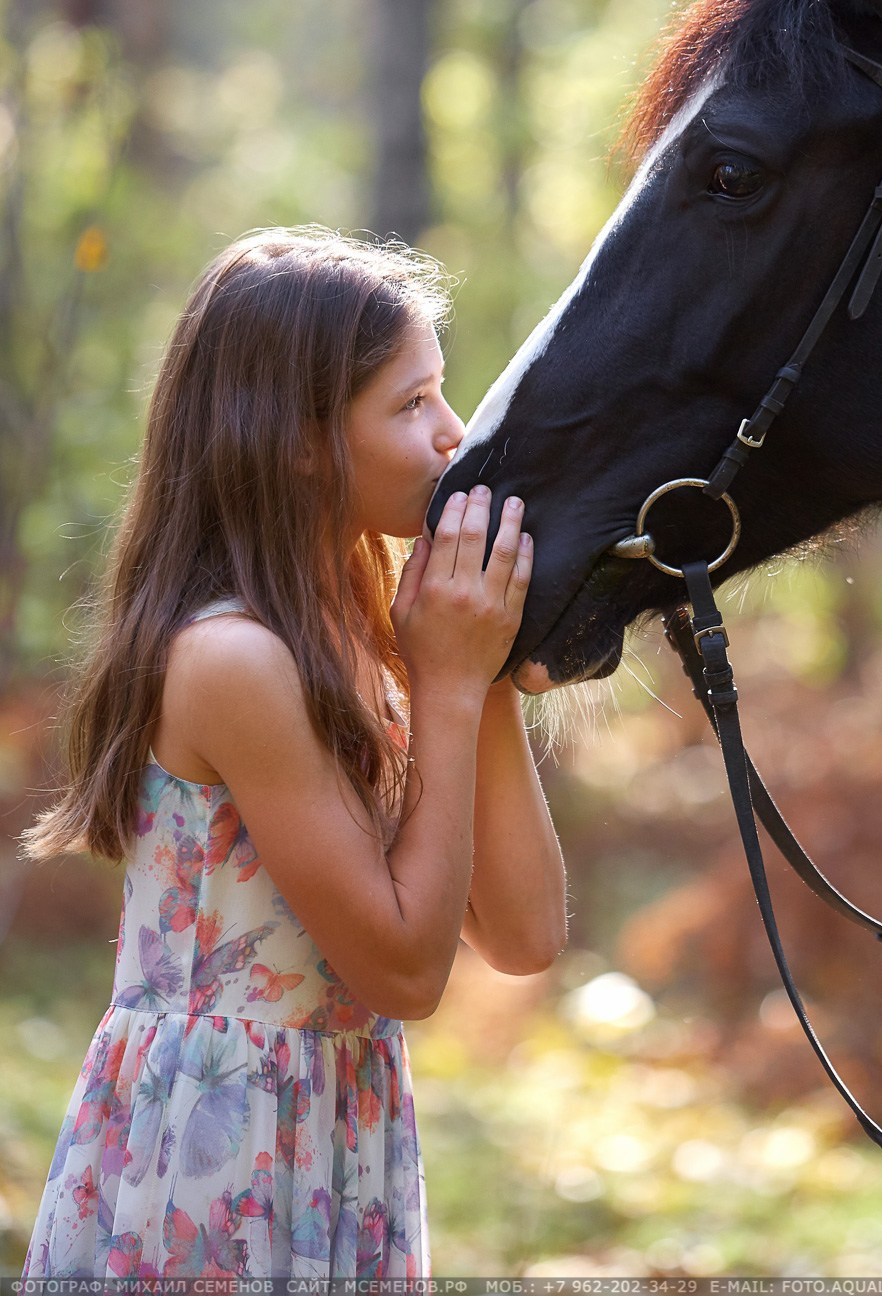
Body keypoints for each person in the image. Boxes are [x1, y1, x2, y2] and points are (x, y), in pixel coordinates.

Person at [17, 226, 568, 1279]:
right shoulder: (234, 659)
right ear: (300, 439)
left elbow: (527, 933)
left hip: (333, 1139)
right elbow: (405, 969)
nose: (453, 433)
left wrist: (480, 674)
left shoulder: (365, 635)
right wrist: (447, 686)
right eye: (410, 404)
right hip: (211, 1165)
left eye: (439, 392)